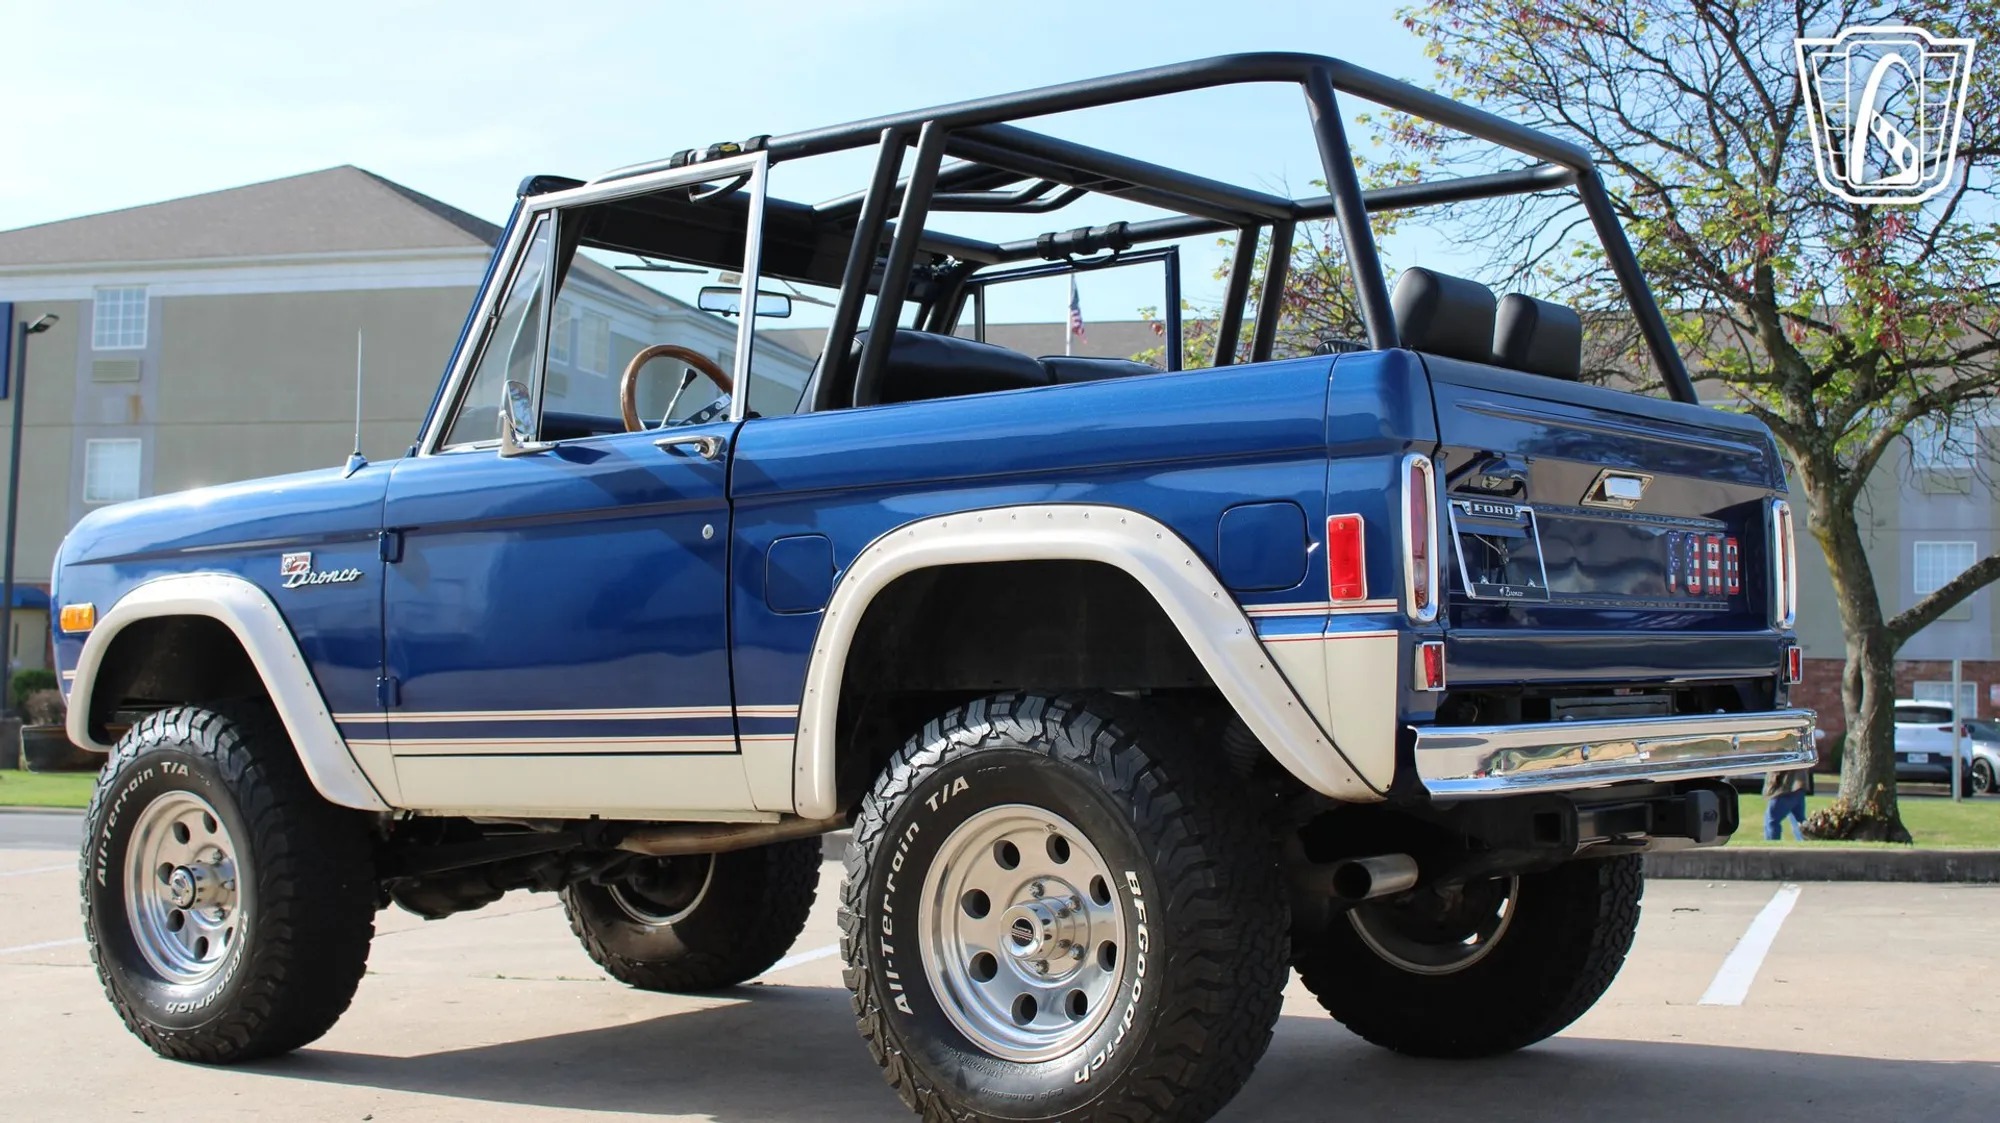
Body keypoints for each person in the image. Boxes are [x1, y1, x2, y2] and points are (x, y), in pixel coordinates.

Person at [1763, 765, 1810, 840]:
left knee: (1771, 820)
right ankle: (1806, 848)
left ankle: (1772, 848)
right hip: (1799, 784)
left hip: (1785, 786)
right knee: (1799, 821)